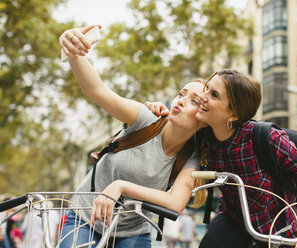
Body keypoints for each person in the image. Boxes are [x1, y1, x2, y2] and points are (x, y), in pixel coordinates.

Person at [145, 69, 297, 248]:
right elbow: (173, 127)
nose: (202, 98)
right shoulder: (203, 135)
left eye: (213, 95)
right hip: (233, 218)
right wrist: (154, 112)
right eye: (207, 89)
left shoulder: (264, 137)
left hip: (276, 226)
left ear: (233, 114)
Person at [58, 25, 207, 248]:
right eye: (181, 94)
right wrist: (73, 51)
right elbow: (97, 90)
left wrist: (121, 186)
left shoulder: (191, 157)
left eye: (194, 101)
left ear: (203, 119)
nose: (181, 100)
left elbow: (175, 203)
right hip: (85, 218)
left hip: (132, 232)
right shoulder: (146, 119)